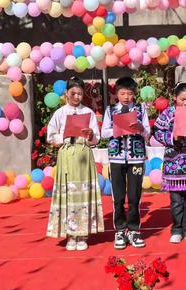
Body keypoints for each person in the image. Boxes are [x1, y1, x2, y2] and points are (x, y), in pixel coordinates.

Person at [46, 77, 104, 251]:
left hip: (83, 155)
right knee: (69, 194)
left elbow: (97, 139)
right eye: (73, 93)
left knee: (83, 193)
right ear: (66, 94)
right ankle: (70, 234)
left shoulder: (88, 112)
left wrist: (90, 134)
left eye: (80, 93)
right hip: (67, 155)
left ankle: (83, 233)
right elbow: (51, 135)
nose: (77, 97)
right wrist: (62, 136)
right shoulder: (60, 113)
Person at [153, 83, 186, 243]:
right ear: (174, 98)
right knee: (176, 200)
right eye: (182, 99)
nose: (185, 103)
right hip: (172, 161)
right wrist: (172, 137)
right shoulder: (167, 113)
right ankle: (177, 229)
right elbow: (157, 132)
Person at [101, 76, 150, 249]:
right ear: (116, 94)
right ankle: (120, 231)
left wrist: (140, 129)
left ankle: (134, 230)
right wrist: (116, 130)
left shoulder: (141, 109)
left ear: (134, 94)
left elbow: (147, 132)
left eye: (130, 93)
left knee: (135, 196)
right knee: (118, 197)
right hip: (116, 158)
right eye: (123, 93)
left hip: (136, 157)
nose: (126, 97)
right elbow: (103, 133)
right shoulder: (110, 110)